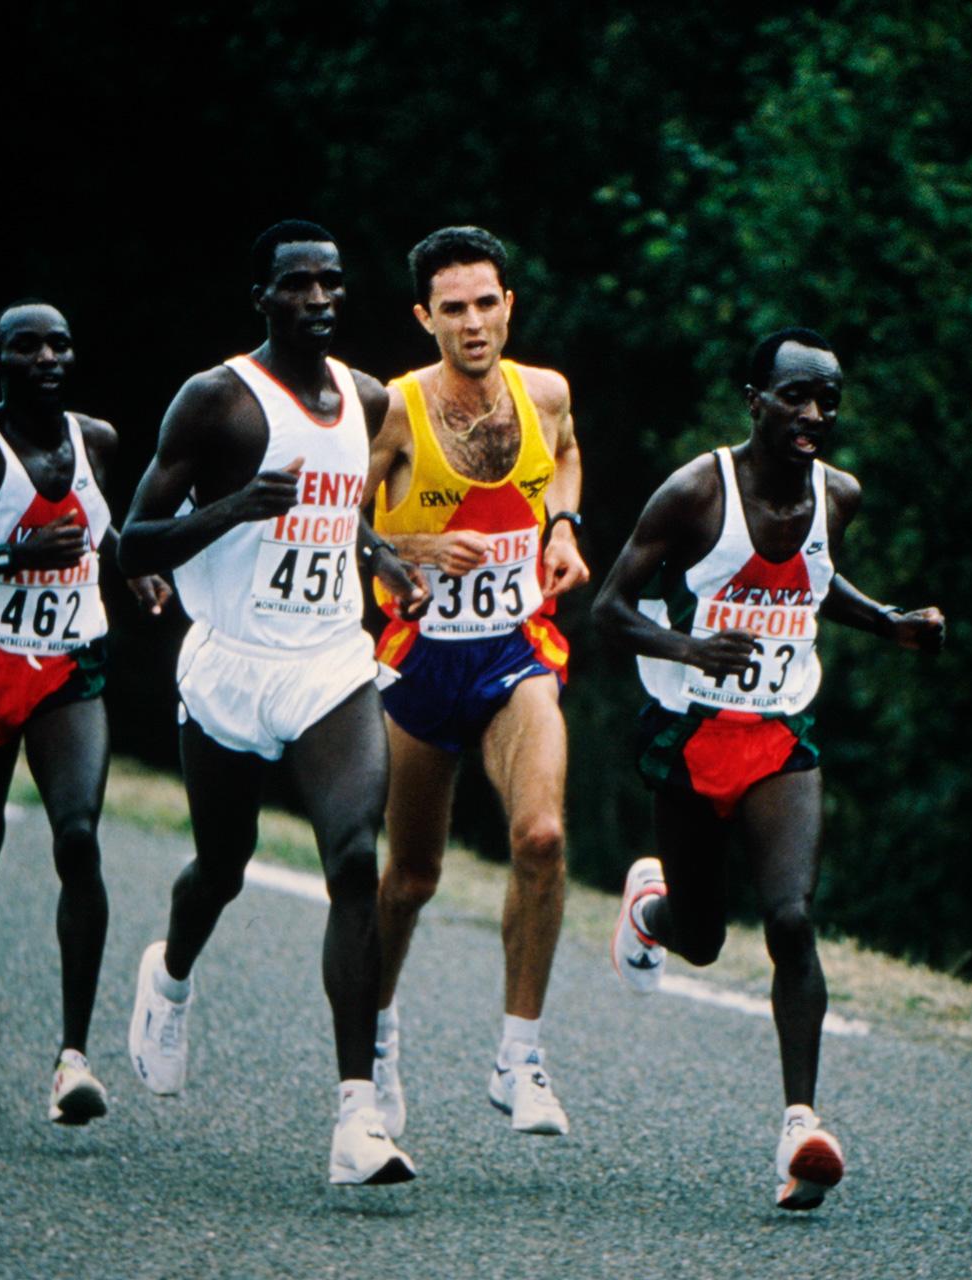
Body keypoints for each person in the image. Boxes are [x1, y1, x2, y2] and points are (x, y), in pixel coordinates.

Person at [592, 328, 945, 1210]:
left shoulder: (841, 494)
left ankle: (801, 1128)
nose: (814, 415)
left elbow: (816, 579)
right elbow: (607, 607)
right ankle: (651, 906)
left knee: (790, 917)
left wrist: (890, 622)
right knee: (704, 938)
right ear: (754, 399)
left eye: (828, 400)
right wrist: (688, 646)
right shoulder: (695, 492)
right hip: (690, 728)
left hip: (781, 732)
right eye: (795, 396)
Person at [117, 220, 430, 1186]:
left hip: (328, 662)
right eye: (298, 284)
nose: (320, 299)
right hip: (231, 662)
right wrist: (235, 507)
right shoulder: (216, 400)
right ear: (262, 296)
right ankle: (168, 978)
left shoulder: (368, 399)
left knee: (353, 857)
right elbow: (132, 544)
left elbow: (343, 521)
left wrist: (382, 558)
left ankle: (354, 1119)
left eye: (332, 283)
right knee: (224, 864)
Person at [0, 300, 171, 1125]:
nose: (47, 356)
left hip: (68, 668)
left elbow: (106, 533)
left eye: (59, 343)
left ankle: (72, 1061)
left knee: (78, 837)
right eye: (27, 346)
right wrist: (7, 556)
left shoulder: (100, 442)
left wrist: (137, 572)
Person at [364, 226, 589, 1139]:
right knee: (413, 877)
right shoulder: (392, 410)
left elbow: (567, 454)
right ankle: (375, 1042)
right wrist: (411, 548)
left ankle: (520, 1056)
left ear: (508, 305)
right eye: (450, 308)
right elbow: (332, 525)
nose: (471, 323)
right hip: (420, 661)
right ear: (425, 317)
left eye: (484, 303)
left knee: (539, 836)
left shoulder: (545, 394)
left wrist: (563, 527)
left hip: (512, 650)